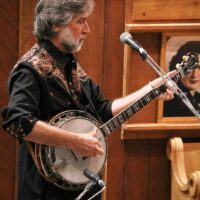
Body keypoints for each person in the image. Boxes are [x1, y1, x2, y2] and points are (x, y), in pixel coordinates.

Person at [1, 0, 174, 200]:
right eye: (81, 21)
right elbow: (17, 121)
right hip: (45, 191)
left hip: (83, 185)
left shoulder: (72, 66)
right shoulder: (30, 70)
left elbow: (103, 110)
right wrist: (75, 141)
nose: (87, 29)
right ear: (56, 24)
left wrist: (150, 89)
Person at [163, 41, 200, 117]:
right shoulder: (171, 100)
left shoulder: (197, 97)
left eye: (199, 68)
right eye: (190, 68)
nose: (195, 75)